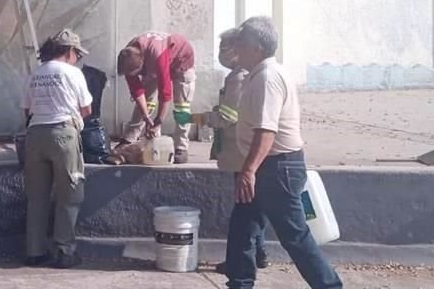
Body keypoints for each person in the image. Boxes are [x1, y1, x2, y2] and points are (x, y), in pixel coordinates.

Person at [224, 16, 343, 289]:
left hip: (275, 168)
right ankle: (240, 283)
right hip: (267, 166)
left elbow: (267, 131)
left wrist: (249, 171)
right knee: (243, 227)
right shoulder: (260, 74)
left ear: (256, 48)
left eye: (240, 44)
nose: (235, 50)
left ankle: (330, 286)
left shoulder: (267, 77)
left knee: (294, 235)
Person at [195, 28, 268, 274]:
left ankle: (239, 263)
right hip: (244, 150)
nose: (220, 55)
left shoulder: (238, 77)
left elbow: (228, 117)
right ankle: (259, 254)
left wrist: (200, 118)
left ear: (238, 50)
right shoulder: (248, 74)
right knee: (253, 206)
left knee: (245, 210)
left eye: (224, 49)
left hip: (240, 152)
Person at [22, 29, 93, 269]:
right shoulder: (73, 73)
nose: (78, 59)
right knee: (70, 195)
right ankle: (64, 253)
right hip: (64, 134)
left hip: (35, 135)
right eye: (77, 54)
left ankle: (35, 252)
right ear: (70, 51)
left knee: (37, 197)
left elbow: (27, 109)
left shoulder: (36, 73)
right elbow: (87, 110)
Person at [116, 31, 196, 163]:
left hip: (182, 62)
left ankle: (181, 147)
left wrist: (158, 121)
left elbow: (165, 94)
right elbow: (137, 92)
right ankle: (129, 139)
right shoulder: (128, 55)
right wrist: (146, 116)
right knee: (147, 100)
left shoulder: (158, 57)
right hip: (153, 64)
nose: (132, 77)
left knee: (182, 106)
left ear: (142, 65)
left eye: (135, 74)